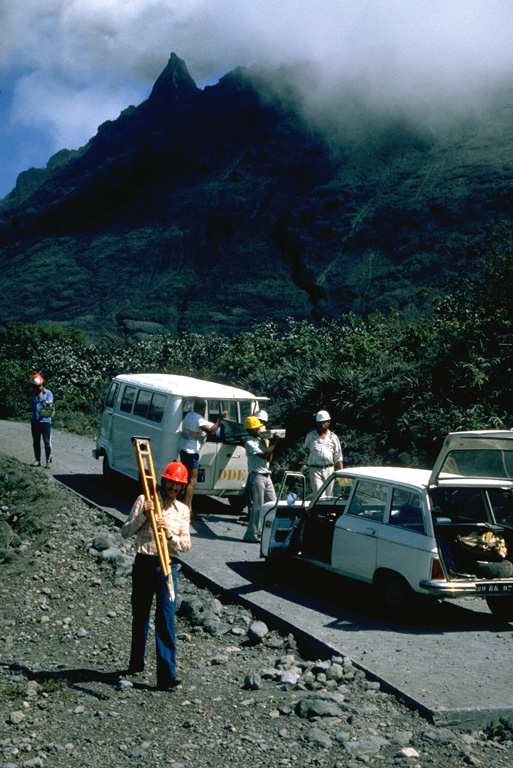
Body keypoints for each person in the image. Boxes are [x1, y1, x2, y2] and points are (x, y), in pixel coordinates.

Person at [121, 461, 191, 691]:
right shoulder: (144, 500)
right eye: (171, 482)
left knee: (166, 617)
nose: (173, 487)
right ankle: (135, 664)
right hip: (143, 563)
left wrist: (168, 534)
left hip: (167, 567)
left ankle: (167, 674)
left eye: (178, 484)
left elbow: (185, 545)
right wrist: (145, 516)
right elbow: (125, 531)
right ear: (164, 480)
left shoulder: (182, 511)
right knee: (140, 614)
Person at [179, 398, 228, 512]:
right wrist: (219, 418)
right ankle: (186, 511)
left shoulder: (189, 415)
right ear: (204, 408)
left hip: (184, 450)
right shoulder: (199, 419)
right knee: (192, 481)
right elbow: (211, 431)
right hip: (191, 452)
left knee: (186, 480)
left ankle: (187, 508)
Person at [243, 415, 282, 543]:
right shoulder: (249, 442)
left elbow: (270, 457)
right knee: (257, 507)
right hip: (257, 476)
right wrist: (275, 442)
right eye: (256, 428)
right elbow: (264, 455)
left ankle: (267, 532)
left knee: (273, 503)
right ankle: (251, 535)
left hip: (266, 475)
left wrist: (270, 442)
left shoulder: (260, 440)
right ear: (250, 430)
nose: (259, 430)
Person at [296, 410, 343, 496]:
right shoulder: (311, 436)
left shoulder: (333, 437)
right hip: (315, 470)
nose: (322, 425)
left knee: (329, 496)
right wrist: (295, 466)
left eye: (324, 422)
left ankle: (327, 510)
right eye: (320, 423)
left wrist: (342, 474)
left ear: (328, 422)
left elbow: (338, 456)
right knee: (319, 496)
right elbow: (303, 451)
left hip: (329, 469)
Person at [30, 373, 54, 468]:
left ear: (42, 384)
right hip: (35, 421)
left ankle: (48, 460)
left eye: (39, 385)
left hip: (45, 421)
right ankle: (37, 460)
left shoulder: (48, 393)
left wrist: (49, 404)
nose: (38, 387)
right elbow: (32, 407)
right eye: (37, 386)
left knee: (47, 442)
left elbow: (51, 404)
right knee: (36, 442)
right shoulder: (33, 394)